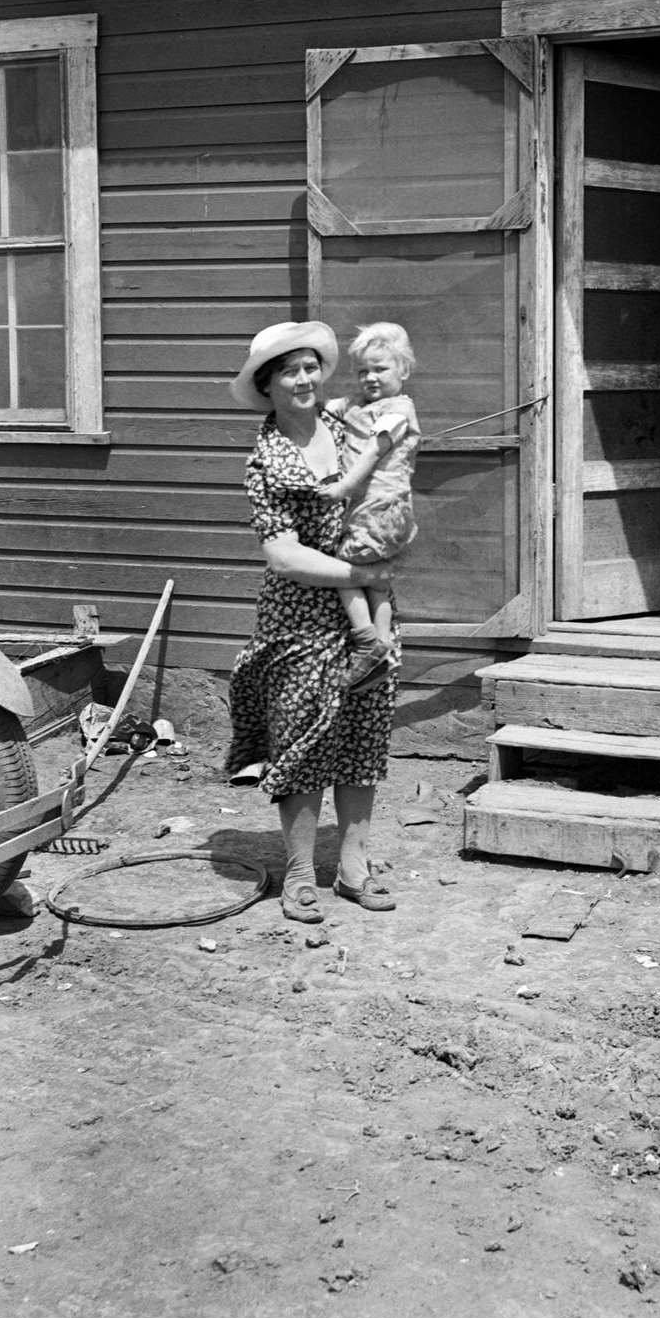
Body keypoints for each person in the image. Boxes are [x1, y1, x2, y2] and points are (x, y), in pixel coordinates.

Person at [225, 319, 398, 923]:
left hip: (370, 613)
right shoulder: (266, 459)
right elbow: (283, 554)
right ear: (267, 385)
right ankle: (299, 871)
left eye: (309, 368)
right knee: (301, 742)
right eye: (288, 371)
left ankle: (354, 868)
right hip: (298, 617)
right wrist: (360, 578)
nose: (303, 379)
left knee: (362, 735)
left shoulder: (345, 424)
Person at [319, 322, 420, 693]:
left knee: (343, 570)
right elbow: (326, 408)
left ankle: (365, 642)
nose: (370, 377)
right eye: (363, 371)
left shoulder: (398, 411)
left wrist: (344, 484)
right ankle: (383, 650)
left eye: (381, 369)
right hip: (376, 511)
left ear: (404, 371)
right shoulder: (358, 405)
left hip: (379, 509)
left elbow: (375, 449)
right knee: (377, 583)